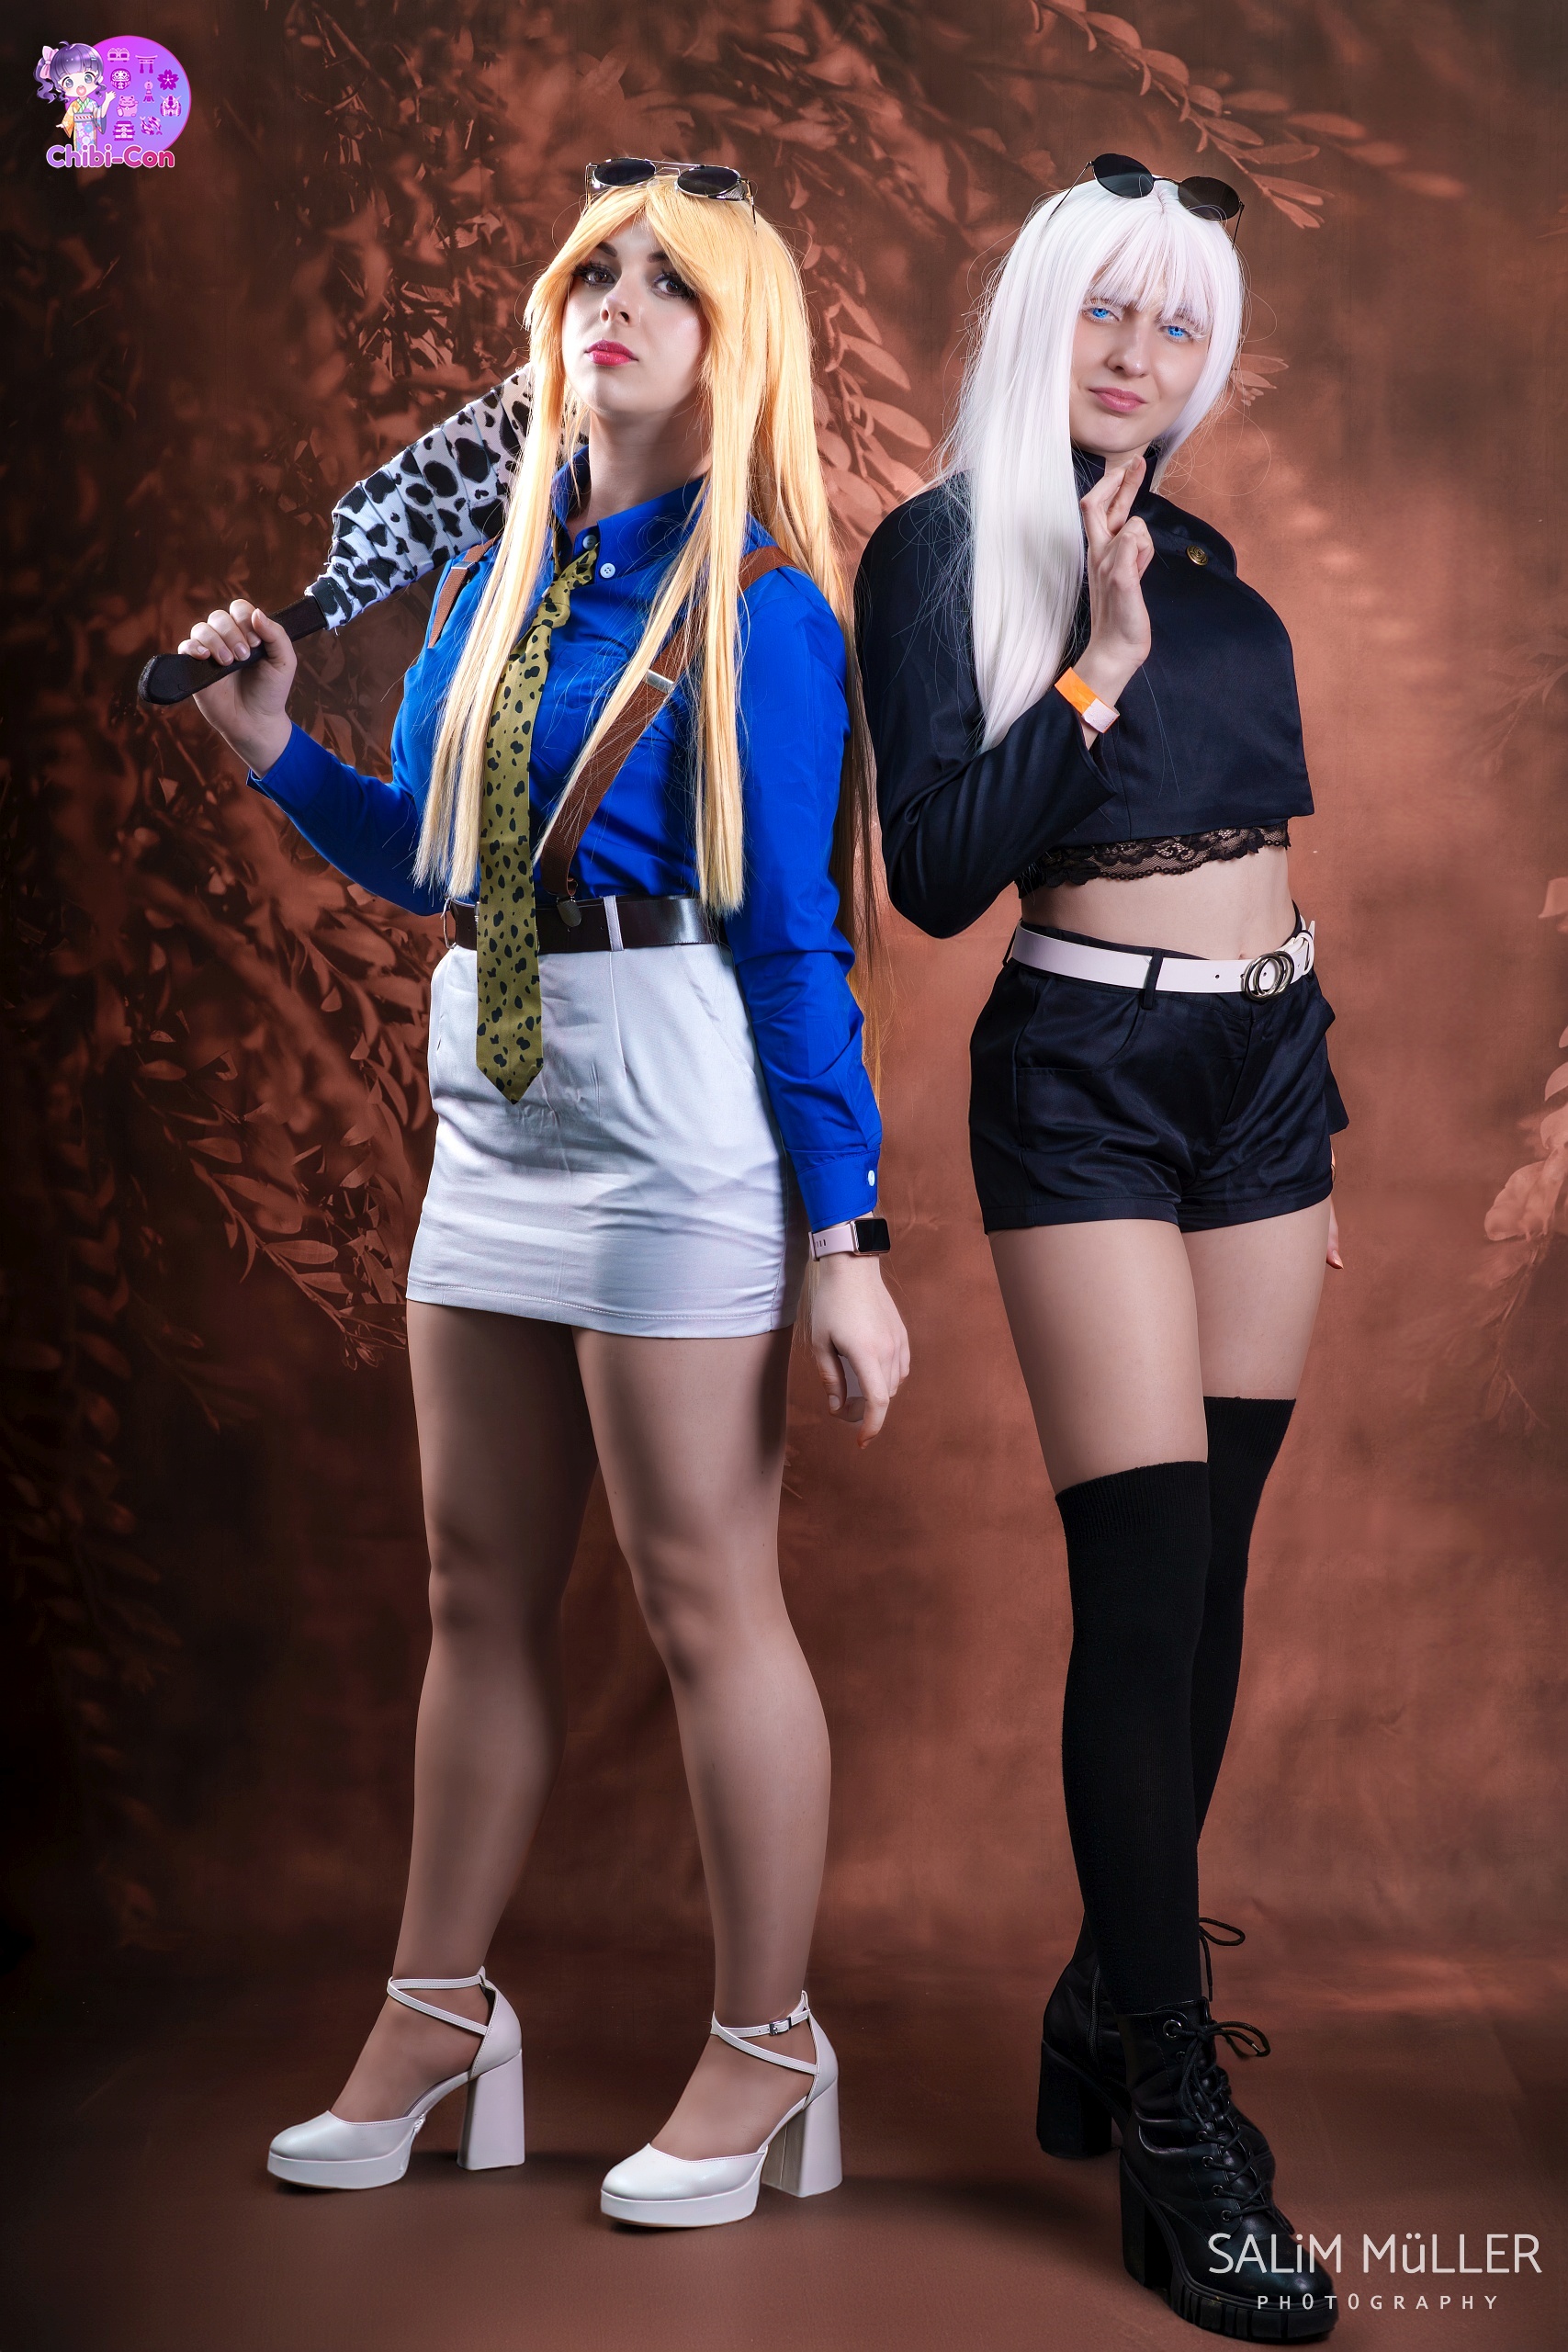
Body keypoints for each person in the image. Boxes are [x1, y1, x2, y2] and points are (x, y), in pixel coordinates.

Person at [176, 156, 908, 2229]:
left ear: (733, 342)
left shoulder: (763, 605)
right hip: (494, 1109)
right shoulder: (497, 576)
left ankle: (769, 2043)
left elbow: (797, 946)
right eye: (598, 268)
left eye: (672, 283)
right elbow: (435, 863)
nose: (619, 302)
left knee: (703, 1598)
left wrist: (845, 1239)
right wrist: (271, 749)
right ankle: (437, 2015)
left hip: (676, 1115)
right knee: (472, 1590)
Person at [856, 157, 1344, 2339]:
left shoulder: (1198, 542)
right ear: (1034, 307)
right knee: (1141, 1579)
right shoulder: (939, 548)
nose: (1141, 353)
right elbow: (936, 876)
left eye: (1178, 321)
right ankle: (1169, 2110)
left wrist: (1306, 1082)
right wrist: (1089, 667)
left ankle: (1092, 1992)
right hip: (1083, 1077)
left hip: (1268, 1072)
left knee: (1216, 1563)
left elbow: (1244, 832)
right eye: (1104, 310)